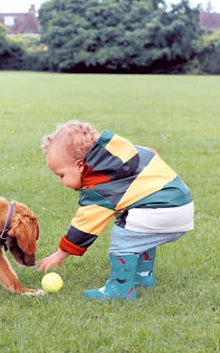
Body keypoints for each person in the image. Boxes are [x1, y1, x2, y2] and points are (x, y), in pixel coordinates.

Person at [37, 120, 194, 300]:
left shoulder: (99, 183)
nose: (61, 181)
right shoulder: (120, 156)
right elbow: (151, 152)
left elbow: (85, 226)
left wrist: (61, 253)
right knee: (138, 233)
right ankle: (143, 277)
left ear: (80, 165)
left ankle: (120, 289)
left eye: (61, 175)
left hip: (162, 208)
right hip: (181, 204)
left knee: (123, 236)